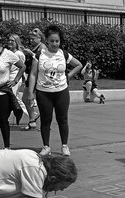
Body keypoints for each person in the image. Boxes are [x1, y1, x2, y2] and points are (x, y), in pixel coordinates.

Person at [27, 25, 83, 157]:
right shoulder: (39, 55)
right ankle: (46, 146)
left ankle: (64, 146)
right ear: (46, 40)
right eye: (52, 41)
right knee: (46, 120)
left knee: (62, 119)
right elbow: (33, 74)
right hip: (43, 92)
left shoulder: (63, 54)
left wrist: (68, 76)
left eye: (57, 41)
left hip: (61, 92)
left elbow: (79, 65)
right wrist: (30, 92)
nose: (54, 44)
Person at [20, 28, 47, 131]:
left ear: (40, 38)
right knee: (26, 98)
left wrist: (31, 53)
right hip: (31, 75)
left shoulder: (42, 47)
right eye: (30, 38)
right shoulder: (35, 47)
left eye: (33, 38)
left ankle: (39, 121)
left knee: (34, 99)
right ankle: (32, 120)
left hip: (37, 77)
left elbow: (42, 60)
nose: (31, 40)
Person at [7, 34, 26, 116]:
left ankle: (4, 118)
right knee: (16, 99)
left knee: (11, 98)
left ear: (17, 42)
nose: (10, 42)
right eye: (9, 40)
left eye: (12, 40)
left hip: (15, 77)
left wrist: (16, 80)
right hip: (9, 77)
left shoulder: (19, 54)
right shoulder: (9, 52)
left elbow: (21, 67)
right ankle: (31, 115)